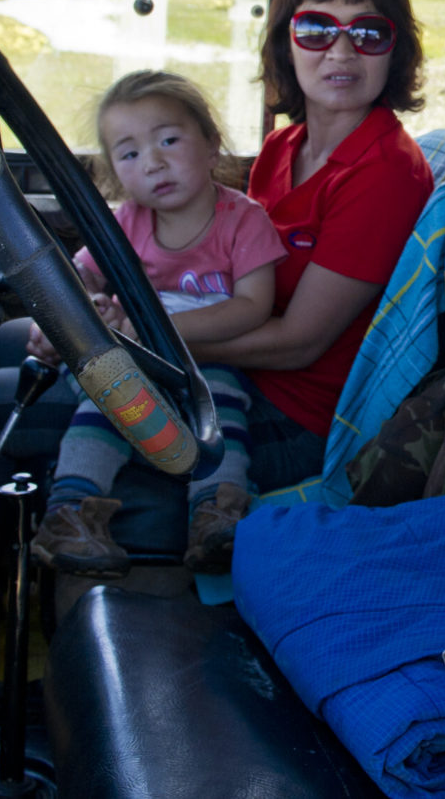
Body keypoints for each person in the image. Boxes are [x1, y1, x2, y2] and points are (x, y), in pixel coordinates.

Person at [187, 0, 435, 486]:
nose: (341, 52)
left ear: (394, 53)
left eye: (368, 33)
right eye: (316, 30)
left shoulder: (386, 173)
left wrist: (150, 340)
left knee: (15, 410)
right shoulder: (282, 147)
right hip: (233, 376)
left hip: (296, 422)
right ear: (286, 44)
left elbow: (300, 343)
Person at [28, 71, 286, 576]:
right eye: (129, 154)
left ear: (212, 145)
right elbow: (80, 274)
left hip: (210, 359)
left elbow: (253, 306)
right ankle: (71, 513)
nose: (154, 162)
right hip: (130, 362)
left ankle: (217, 513)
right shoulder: (125, 223)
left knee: (221, 409)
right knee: (103, 401)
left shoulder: (243, 220)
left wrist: (153, 332)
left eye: (169, 140)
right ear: (115, 172)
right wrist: (82, 310)